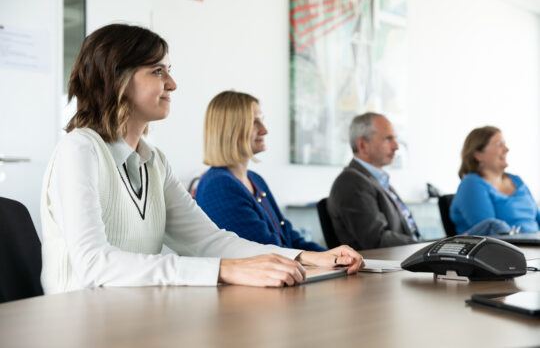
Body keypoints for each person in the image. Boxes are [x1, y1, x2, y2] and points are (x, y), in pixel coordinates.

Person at [40, 24, 363, 294]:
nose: (172, 83)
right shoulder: (79, 149)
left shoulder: (154, 162)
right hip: (78, 323)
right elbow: (95, 265)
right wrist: (226, 270)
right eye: (157, 71)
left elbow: (208, 241)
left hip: (131, 318)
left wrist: (305, 256)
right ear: (116, 78)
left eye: (169, 70)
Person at [195, 91, 326, 251]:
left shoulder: (254, 179)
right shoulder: (219, 185)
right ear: (230, 130)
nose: (264, 130)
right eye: (254, 122)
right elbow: (267, 250)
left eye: (262, 121)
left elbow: (289, 237)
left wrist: (332, 257)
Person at [327, 112, 421, 250]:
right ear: (363, 145)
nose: (396, 146)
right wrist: (424, 246)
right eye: (388, 139)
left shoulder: (377, 180)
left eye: (395, 139)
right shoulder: (351, 182)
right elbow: (376, 240)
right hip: (387, 265)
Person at [450, 126, 540, 235]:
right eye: (498, 144)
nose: (506, 149)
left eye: (504, 143)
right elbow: (489, 232)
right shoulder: (471, 184)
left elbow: (537, 218)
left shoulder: (517, 180)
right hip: (507, 248)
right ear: (478, 155)